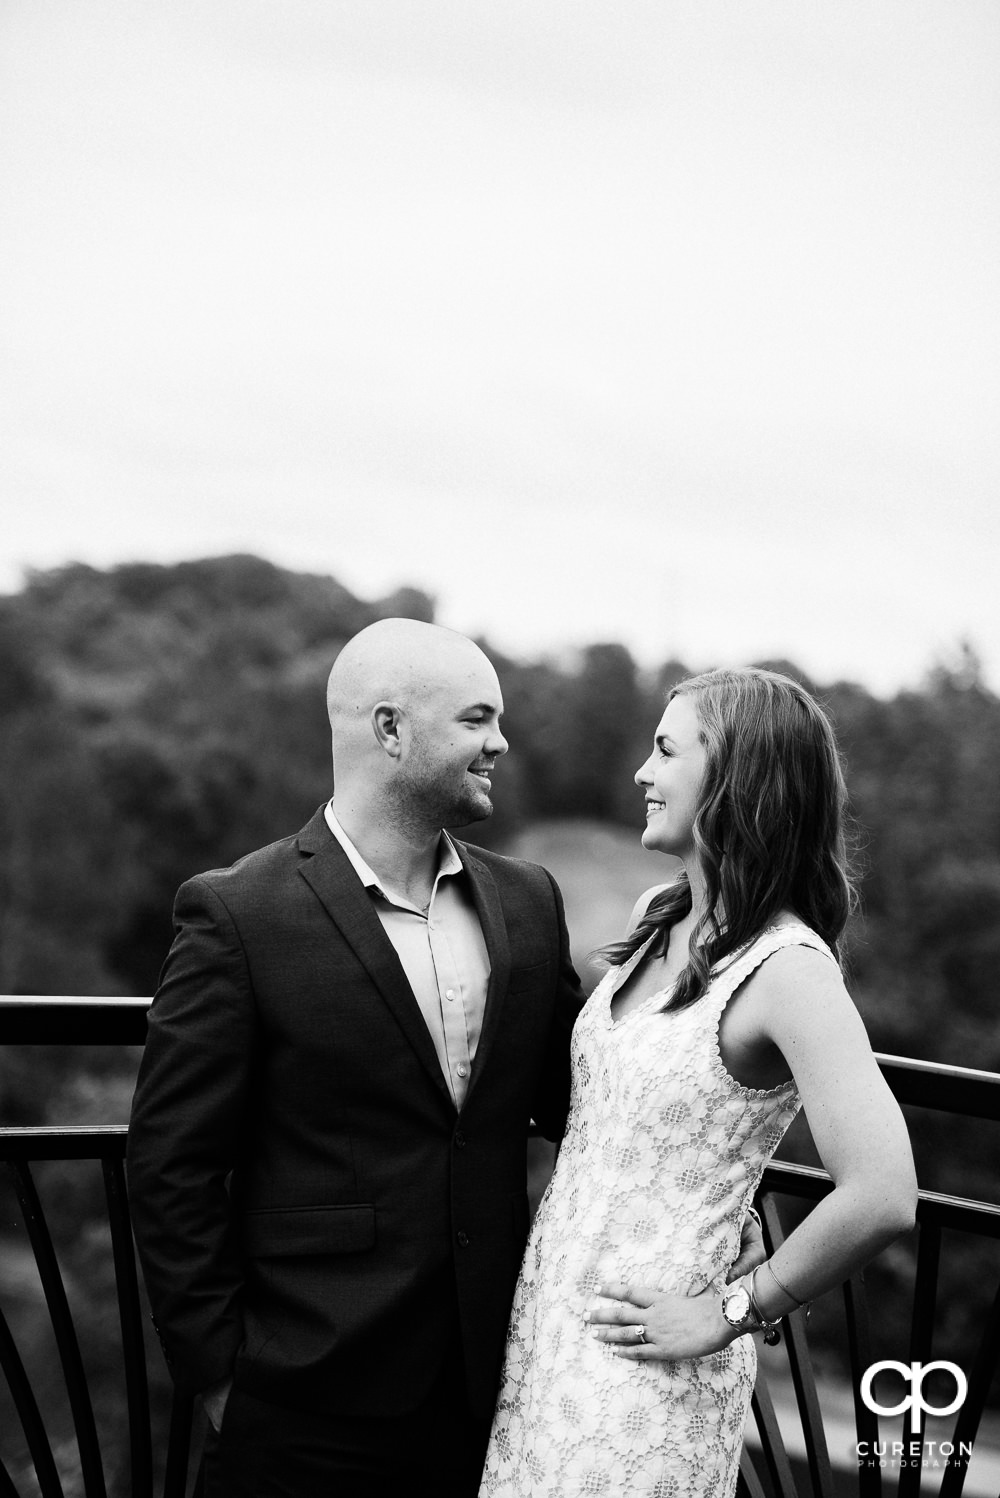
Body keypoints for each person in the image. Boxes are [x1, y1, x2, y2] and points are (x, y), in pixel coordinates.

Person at [126, 618, 589, 1497]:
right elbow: (169, 1165)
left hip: (492, 1395)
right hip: (303, 1403)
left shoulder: (529, 903)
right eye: (475, 719)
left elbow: (584, 1106)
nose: (500, 742)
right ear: (390, 730)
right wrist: (223, 1378)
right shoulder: (237, 915)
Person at [480, 666, 918, 1498]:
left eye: (666, 750)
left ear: (737, 780)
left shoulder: (790, 970)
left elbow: (885, 1191)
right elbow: (660, 1121)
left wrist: (735, 1307)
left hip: (645, 1379)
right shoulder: (662, 912)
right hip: (547, 1342)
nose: (644, 774)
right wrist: (725, 1204)